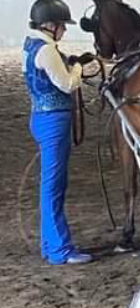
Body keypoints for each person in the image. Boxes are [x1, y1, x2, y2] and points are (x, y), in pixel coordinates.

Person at [23, 0, 96, 265]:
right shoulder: (46, 51)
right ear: (50, 25)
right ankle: (60, 250)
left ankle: (49, 243)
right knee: (53, 187)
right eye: (62, 26)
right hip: (53, 121)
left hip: (41, 117)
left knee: (51, 185)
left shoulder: (31, 45)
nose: (64, 31)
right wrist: (77, 66)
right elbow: (67, 84)